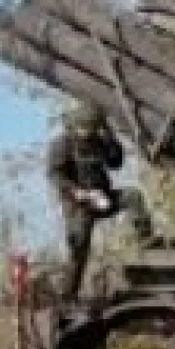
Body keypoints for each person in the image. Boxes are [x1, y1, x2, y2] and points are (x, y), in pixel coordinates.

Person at [46, 103, 155, 302]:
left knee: (133, 196)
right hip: (78, 205)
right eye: (84, 128)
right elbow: (55, 174)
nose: (87, 132)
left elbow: (115, 163)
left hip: (102, 197)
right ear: (74, 126)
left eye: (92, 128)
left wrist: (110, 137)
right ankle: (68, 295)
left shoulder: (98, 140)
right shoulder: (62, 144)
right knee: (79, 246)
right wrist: (76, 191)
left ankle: (146, 241)